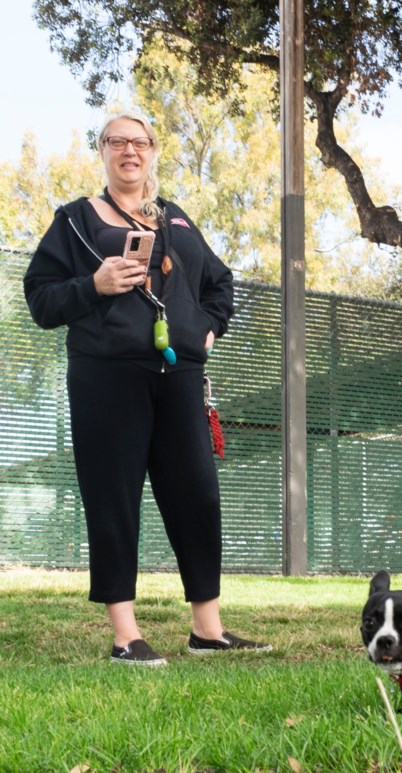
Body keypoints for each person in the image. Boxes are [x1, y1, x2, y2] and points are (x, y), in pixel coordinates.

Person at [23, 111, 271, 665]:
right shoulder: (74, 222)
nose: (129, 151)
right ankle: (125, 634)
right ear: (103, 151)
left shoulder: (176, 220)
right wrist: (94, 284)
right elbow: (40, 298)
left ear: (154, 151)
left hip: (178, 374)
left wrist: (208, 328)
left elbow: (220, 282)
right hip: (107, 376)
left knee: (198, 496)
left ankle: (208, 630)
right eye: (117, 142)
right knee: (114, 497)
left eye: (139, 142)